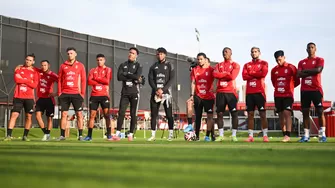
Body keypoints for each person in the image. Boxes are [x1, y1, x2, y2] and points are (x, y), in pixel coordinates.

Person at [110, 47, 143, 142]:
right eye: (130, 52)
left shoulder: (138, 65)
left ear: (136, 55)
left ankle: (131, 134)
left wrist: (126, 74)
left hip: (134, 93)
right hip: (124, 93)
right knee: (121, 113)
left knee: (133, 114)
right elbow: (119, 77)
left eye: (132, 53)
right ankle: (117, 134)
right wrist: (131, 76)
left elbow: (137, 76)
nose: (130, 54)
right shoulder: (123, 64)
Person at [4, 54, 39, 141]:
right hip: (18, 96)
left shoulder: (35, 72)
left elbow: (34, 85)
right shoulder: (19, 69)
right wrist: (28, 80)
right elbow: (17, 80)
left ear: (33, 62)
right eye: (27, 59)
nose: (28, 61)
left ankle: (25, 136)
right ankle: (8, 135)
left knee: (28, 116)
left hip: (29, 98)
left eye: (30, 60)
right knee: (14, 115)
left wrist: (23, 79)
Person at [297, 42, 326, 142]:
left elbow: (318, 70)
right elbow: (299, 74)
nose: (310, 49)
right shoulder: (302, 62)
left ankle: (322, 135)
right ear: (306, 50)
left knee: (320, 111)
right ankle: (306, 135)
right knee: (305, 112)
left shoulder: (319, 60)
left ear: (315, 49)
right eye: (309, 47)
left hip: (316, 89)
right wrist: (310, 71)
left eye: (312, 47)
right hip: (305, 90)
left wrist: (305, 71)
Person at [58, 47, 86, 141]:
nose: (70, 55)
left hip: (76, 94)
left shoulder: (80, 66)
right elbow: (59, 80)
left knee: (79, 114)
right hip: (65, 93)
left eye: (71, 53)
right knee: (64, 114)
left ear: (75, 54)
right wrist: (59, 92)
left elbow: (83, 80)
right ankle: (62, 135)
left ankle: (80, 135)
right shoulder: (63, 66)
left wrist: (82, 93)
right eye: (68, 53)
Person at [185, 53, 215, 141]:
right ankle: (196, 136)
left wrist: (215, 90)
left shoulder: (211, 70)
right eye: (198, 59)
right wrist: (192, 95)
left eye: (201, 59)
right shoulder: (195, 70)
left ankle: (209, 136)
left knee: (210, 117)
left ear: (205, 59)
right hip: (198, 96)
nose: (199, 61)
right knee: (198, 116)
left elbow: (216, 79)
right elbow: (193, 83)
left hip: (209, 97)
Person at [271, 50, 300, 142]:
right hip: (277, 95)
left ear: (284, 57)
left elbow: (297, 81)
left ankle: (288, 135)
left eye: (280, 59)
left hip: (288, 94)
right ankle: (284, 134)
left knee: (287, 113)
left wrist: (289, 87)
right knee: (280, 115)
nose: (279, 62)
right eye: (277, 60)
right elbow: (274, 82)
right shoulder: (274, 70)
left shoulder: (291, 67)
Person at [242, 47, 269, 142]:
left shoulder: (264, 63)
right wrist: (256, 73)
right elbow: (244, 76)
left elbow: (263, 74)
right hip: (249, 93)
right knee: (250, 114)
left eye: (256, 52)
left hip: (259, 92)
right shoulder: (246, 65)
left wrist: (251, 73)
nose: (254, 53)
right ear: (250, 54)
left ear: (259, 53)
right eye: (252, 52)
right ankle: (250, 136)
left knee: (262, 114)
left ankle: (265, 135)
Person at [213, 47, 240, 142]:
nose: (225, 53)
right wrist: (226, 74)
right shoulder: (218, 65)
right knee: (219, 113)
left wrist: (222, 74)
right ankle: (221, 135)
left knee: (234, 113)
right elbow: (215, 74)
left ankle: (234, 135)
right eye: (223, 52)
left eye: (227, 52)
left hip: (231, 93)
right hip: (220, 92)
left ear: (231, 53)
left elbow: (232, 76)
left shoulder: (235, 65)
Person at [148, 47, 175, 141]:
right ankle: (153, 135)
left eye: (161, 54)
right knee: (154, 115)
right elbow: (150, 79)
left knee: (169, 114)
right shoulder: (153, 66)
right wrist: (156, 89)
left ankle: (171, 134)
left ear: (165, 55)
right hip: (155, 93)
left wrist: (163, 90)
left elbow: (171, 79)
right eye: (158, 54)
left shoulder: (169, 65)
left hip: (166, 93)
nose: (160, 56)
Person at [85, 54, 112, 141]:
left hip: (104, 95)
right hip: (94, 96)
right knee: (92, 116)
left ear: (104, 60)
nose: (99, 61)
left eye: (101, 60)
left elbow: (107, 81)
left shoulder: (108, 69)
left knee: (106, 115)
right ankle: (89, 136)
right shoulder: (93, 70)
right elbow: (89, 81)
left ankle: (109, 135)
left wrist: (95, 78)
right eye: (98, 60)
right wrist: (100, 80)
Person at [35, 60, 58, 141]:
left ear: (49, 65)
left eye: (45, 65)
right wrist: (20, 66)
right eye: (42, 65)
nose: (43, 67)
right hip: (40, 99)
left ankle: (47, 134)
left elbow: (61, 83)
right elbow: (30, 67)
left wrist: (56, 93)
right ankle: (46, 133)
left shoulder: (52, 75)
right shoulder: (38, 72)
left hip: (49, 99)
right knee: (38, 116)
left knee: (49, 118)